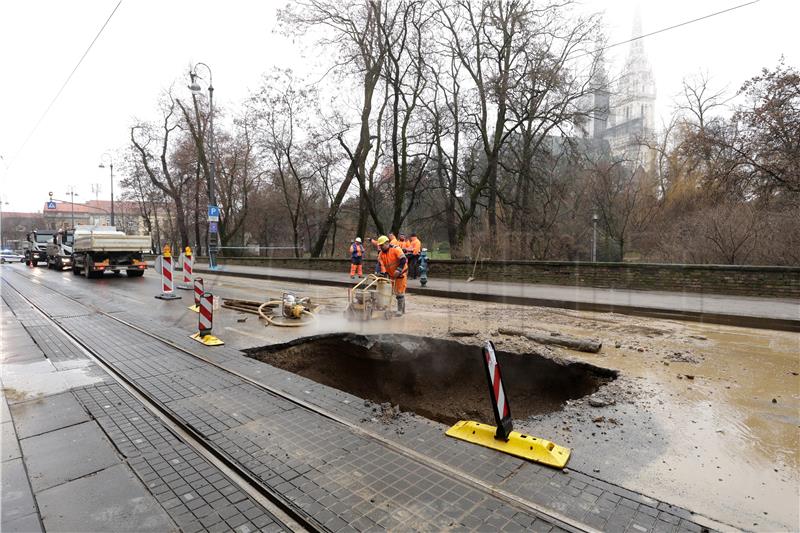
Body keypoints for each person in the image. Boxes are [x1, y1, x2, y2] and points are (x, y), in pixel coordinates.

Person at [376, 235, 408, 316]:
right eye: (380, 246)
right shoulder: (381, 254)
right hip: (391, 274)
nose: (380, 247)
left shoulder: (395, 249)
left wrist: (399, 270)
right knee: (389, 292)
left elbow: (403, 259)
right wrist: (382, 274)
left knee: (399, 292)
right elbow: (381, 265)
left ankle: (400, 310)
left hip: (401, 273)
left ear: (387, 243)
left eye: (382, 245)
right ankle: (387, 307)